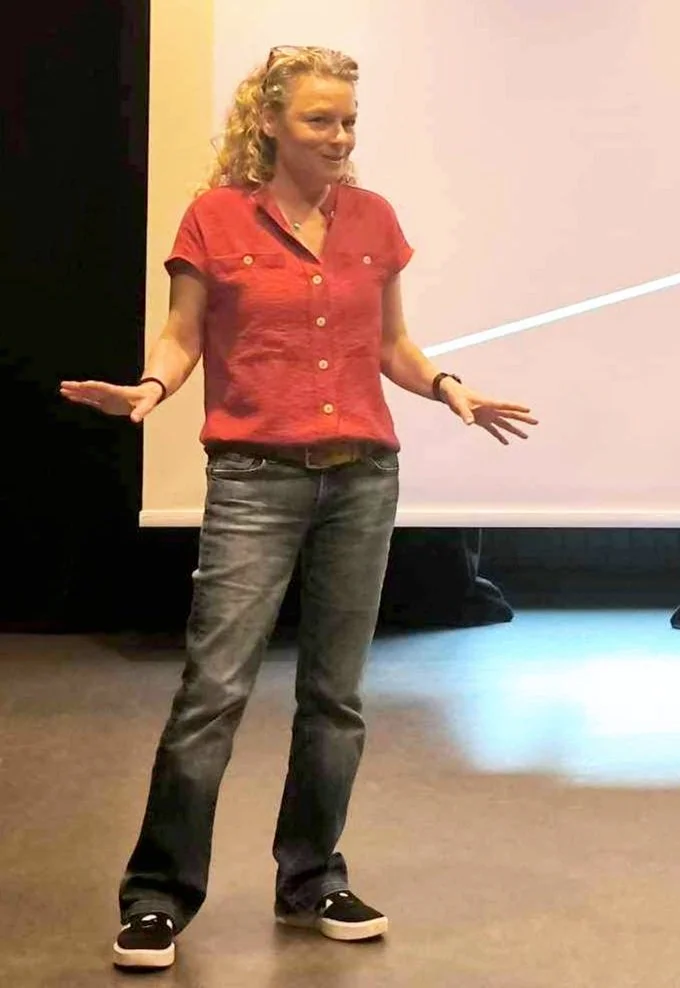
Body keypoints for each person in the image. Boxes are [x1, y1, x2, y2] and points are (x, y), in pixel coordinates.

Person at [61, 45, 538, 970]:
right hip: (254, 479)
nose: (340, 135)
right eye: (321, 119)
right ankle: (157, 895)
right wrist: (152, 388)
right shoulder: (214, 217)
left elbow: (393, 342)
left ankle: (312, 876)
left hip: (363, 477)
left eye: (350, 119)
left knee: (335, 698)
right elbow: (181, 334)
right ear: (271, 123)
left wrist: (447, 386)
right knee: (215, 692)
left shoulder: (373, 219)